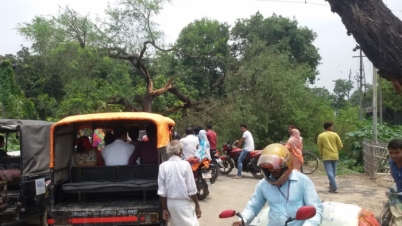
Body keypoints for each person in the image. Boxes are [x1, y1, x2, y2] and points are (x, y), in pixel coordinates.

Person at [232, 143, 323, 226]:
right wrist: (242, 220)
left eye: (276, 167)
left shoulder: (303, 181)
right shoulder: (264, 184)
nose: (272, 170)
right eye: (269, 167)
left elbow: (316, 210)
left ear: (286, 164)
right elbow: (253, 206)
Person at [157, 140, 201, 226]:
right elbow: (191, 189)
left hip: (170, 204)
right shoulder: (185, 165)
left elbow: (162, 191)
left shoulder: (163, 166)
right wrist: (197, 205)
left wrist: (164, 208)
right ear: (180, 150)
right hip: (183, 204)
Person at [317, 122, 343, 193]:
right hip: (335, 155)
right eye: (332, 127)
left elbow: (320, 146)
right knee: (333, 173)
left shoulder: (320, 136)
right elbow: (340, 145)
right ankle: (331, 186)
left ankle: (334, 187)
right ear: (329, 127)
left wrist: (321, 153)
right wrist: (336, 149)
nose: (332, 128)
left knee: (329, 173)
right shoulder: (335, 135)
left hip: (326, 156)